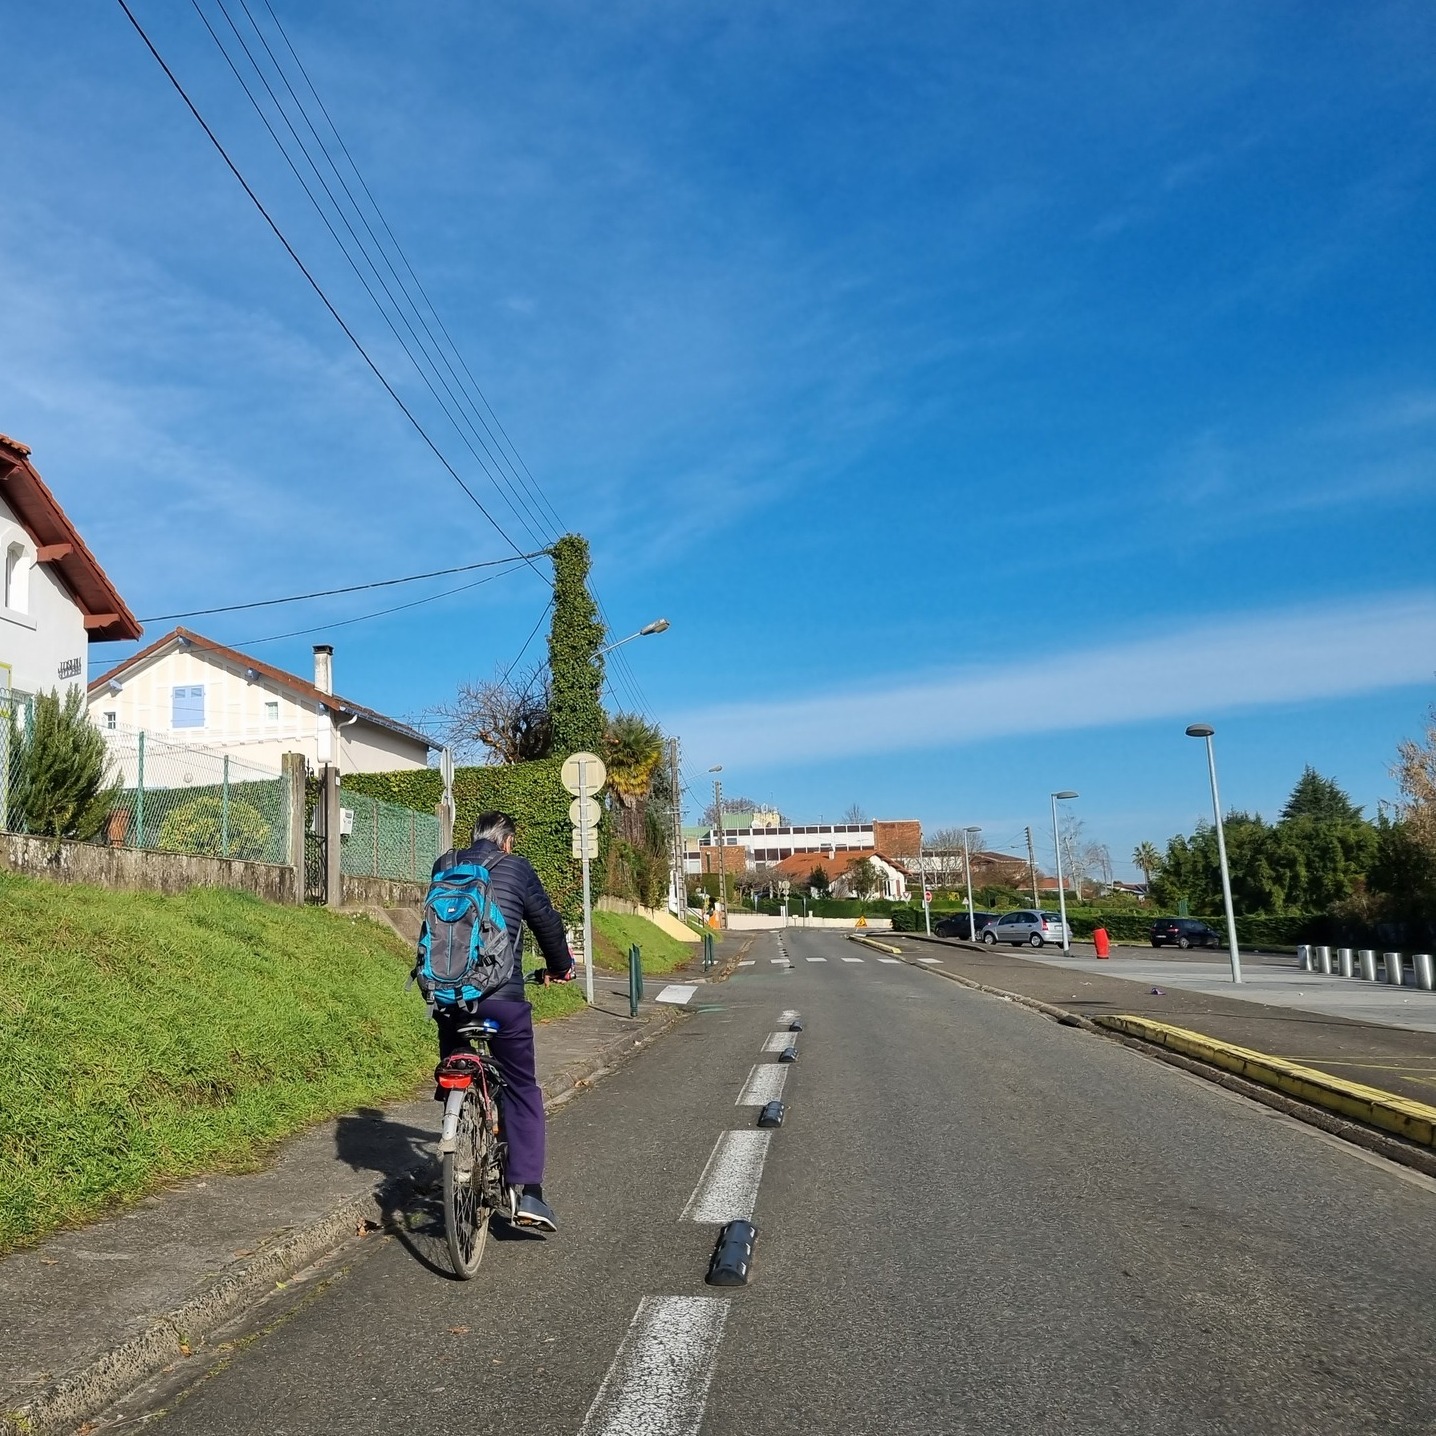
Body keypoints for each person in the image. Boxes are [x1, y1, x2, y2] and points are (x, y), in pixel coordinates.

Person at [432, 810, 575, 1231]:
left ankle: (456, 1133)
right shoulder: (516, 867)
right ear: (507, 842)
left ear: (473, 837)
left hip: (449, 996)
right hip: (502, 999)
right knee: (521, 1086)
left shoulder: (446, 865)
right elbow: (546, 922)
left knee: (455, 1061)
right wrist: (561, 966)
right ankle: (530, 1192)